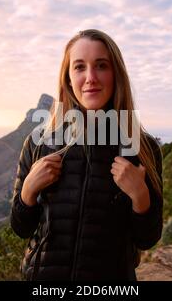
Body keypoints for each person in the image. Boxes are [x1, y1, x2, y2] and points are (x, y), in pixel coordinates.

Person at [10, 29, 163, 281]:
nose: (90, 77)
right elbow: (20, 228)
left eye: (101, 65)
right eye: (79, 67)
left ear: (116, 74)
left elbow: (147, 239)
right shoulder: (40, 144)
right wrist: (28, 191)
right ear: (68, 78)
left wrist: (140, 196)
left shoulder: (143, 149)